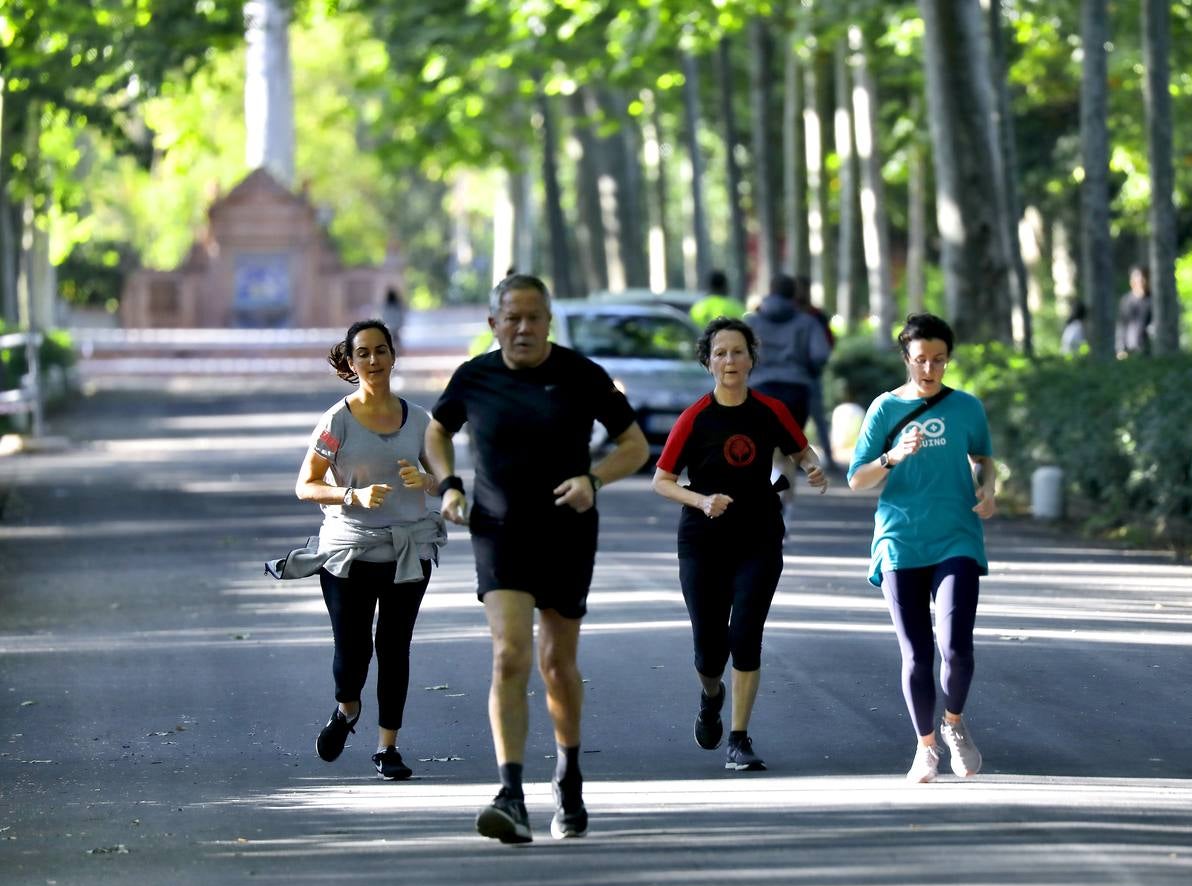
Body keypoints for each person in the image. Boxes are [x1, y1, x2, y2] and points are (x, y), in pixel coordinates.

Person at [425, 274, 649, 843]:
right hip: (498, 530)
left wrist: (592, 479)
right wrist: (450, 484)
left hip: (567, 532)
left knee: (556, 664)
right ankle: (510, 794)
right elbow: (436, 430)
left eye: (534, 317)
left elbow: (635, 446)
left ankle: (568, 777)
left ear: (549, 321)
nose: (523, 328)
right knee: (508, 656)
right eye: (513, 318)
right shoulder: (474, 376)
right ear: (493, 322)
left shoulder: (581, 375)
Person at [266, 319, 447, 781]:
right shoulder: (337, 420)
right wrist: (352, 496)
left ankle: (388, 747)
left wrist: (427, 481)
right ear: (350, 361)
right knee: (353, 653)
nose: (373, 361)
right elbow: (305, 485)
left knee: (394, 647)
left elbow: (447, 480)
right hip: (348, 552)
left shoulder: (422, 420)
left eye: (380, 351)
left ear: (393, 356)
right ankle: (347, 709)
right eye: (362, 353)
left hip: (408, 551)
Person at [652, 318, 828, 772]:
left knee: (746, 636)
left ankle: (739, 738)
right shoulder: (695, 417)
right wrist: (701, 499)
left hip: (759, 536)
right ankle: (711, 696)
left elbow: (799, 449)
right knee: (710, 650)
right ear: (708, 362)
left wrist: (811, 466)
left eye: (738, 352)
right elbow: (662, 481)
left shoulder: (770, 410)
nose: (730, 360)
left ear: (751, 359)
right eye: (721, 353)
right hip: (703, 541)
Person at [846, 313, 997, 783]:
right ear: (906, 359)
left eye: (938, 360)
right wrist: (892, 456)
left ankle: (953, 724)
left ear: (948, 360)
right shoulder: (885, 410)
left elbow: (984, 458)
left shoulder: (967, 407)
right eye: (920, 360)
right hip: (900, 540)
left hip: (956, 536)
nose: (929, 369)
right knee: (917, 653)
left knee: (956, 648)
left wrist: (989, 489)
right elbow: (856, 478)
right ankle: (925, 746)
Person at [744, 273, 831, 531]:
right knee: (788, 454)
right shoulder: (807, 322)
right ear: (794, 295)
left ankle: (760, 512)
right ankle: (783, 514)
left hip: (759, 391)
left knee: (761, 453)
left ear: (768, 291)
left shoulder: (751, 322)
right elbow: (820, 354)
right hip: (796, 392)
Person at [794, 276, 839, 470]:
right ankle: (800, 459)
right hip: (801, 375)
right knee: (799, 420)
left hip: (808, 375)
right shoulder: (806, 315)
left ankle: (827, 457)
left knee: (817, 418)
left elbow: (828, 342)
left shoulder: (815, 315)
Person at [1115, 266, 1152, 357]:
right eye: (1136, 280)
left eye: (1143, 279)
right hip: (1129, 349)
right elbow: (1121, 325)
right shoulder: (1126, 300)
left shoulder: (1153, 300)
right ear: (1131, 281)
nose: (1140, 282)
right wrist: (1120, 349)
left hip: (1148, 349)